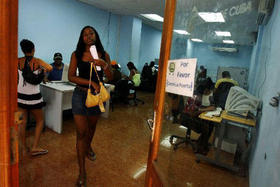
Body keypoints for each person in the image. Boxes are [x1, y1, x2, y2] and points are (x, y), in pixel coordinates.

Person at [68, 25, 112, 186]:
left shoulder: (104, 54)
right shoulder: (77, 54)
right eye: (85, 34)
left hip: (97, 97)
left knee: (91, 128)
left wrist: (104, 64)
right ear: (82, 38)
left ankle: (87, 147)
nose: (88, 36)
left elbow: (111, 77)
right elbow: (71, 76)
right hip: (80, 95)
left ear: (96, 35)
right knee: (81, 132)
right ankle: (82, 172)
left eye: (91, 33)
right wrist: (90, 82)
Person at [17, 39, 53, 157]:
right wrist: (41, 70)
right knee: (40, 120)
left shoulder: (17, 61)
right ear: (33, 49)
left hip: (19, 97)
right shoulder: (37, 61)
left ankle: (23, 147)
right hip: (34, 97)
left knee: (21, 122)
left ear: (22, 50)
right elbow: (50, 68)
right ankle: (35, 147)